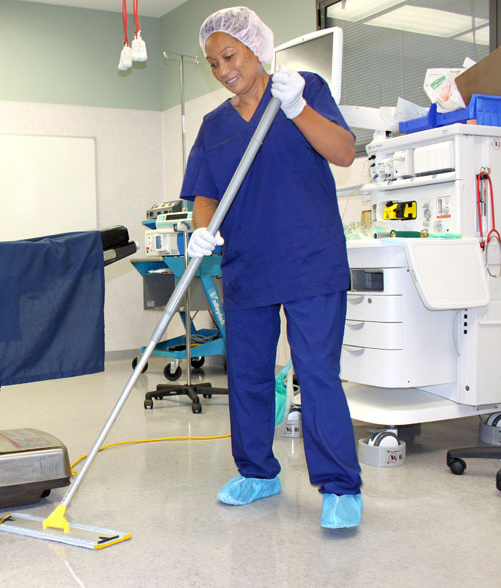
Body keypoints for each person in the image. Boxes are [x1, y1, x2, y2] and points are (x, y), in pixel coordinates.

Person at [182, 6, 363, 529]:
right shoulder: (215, 124)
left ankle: (339, 486)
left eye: (230, 55)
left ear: (257, 46)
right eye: (213, 63)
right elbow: (205, 191)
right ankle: (258, 472)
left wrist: (300, 108)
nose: (223, 69)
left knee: (316, 373)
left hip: (311, 260)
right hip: (248, 265)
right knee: (249, 377)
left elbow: (345, 152)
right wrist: (201, 229)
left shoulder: (304, 87)